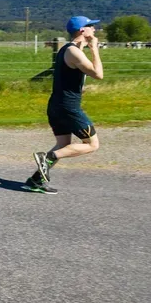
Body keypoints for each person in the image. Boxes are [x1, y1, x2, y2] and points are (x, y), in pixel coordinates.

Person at [23, 16, 103, 194]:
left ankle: (35, 180)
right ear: (82, 30)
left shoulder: (69, 49)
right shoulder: (73, 52)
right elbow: (98, 74)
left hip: (57, 105)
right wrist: (94, 48)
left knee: (63, 144)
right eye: (91, 26)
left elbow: (75, 69)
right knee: (92, 144)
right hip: (68, 108)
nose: (95, 29)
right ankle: (46, 157)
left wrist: (85, 44)